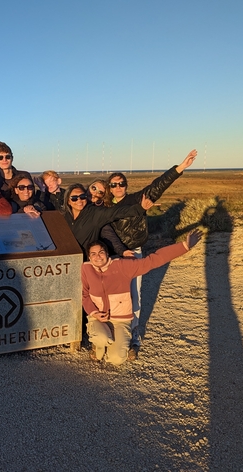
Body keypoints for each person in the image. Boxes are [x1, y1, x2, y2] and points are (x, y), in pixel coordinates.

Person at [106, 149, 198, 358]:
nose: (118, 187)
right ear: (109, 188)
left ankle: (133, 337)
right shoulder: (103, 207)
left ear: (126, 186)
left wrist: (180, 168)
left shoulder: (137, 199)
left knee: (134, 296)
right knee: (111, 296)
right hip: (112, 255)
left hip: (133, 254)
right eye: (114, 184)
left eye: (121, 183)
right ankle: (113, 333)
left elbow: (157, 186)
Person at [82, 229, 203, 365]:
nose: (98, 257)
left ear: (107, 253)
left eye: (101, 252)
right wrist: (95, 313)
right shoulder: (86, 269)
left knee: (116, 359)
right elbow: (85, 295)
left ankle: (114, 341)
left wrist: (184, 246)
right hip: (98, 318)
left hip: (120, 320)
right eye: (93, 254)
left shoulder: (122, 266)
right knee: (101, 339)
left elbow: (153, 260)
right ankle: (99, 345)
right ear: (89, 257)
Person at [62, 183, 154, 259]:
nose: (79, 200)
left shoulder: (95, 214)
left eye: (82, 196)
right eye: (74, 198)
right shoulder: (63, 217)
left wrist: (140, 208)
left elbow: (116, 212)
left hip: (85, 261)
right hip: (65, 260)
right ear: (68, 201)